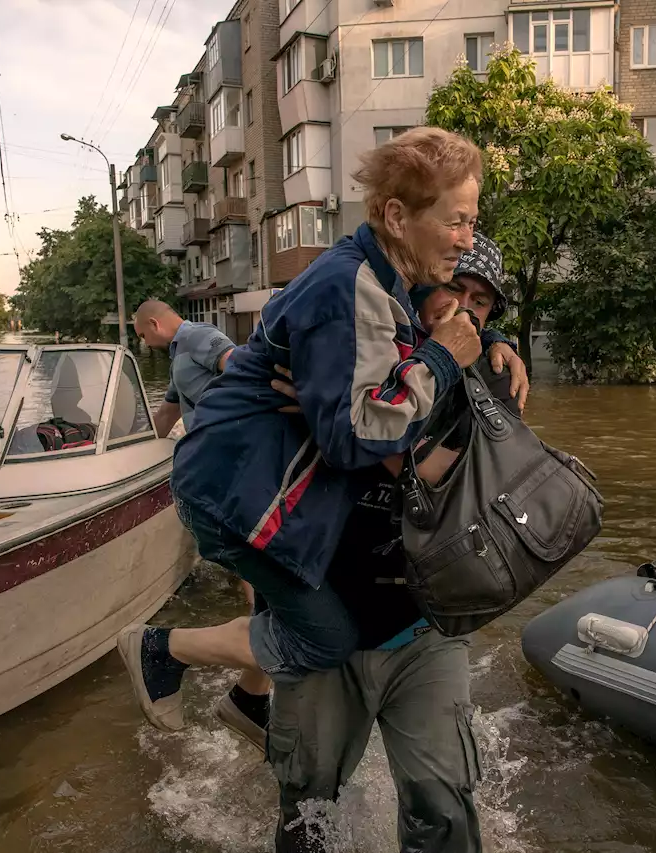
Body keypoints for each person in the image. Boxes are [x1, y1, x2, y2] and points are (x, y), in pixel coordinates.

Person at [117, 128, 527, 739]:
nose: (468, 240)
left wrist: (487, 341)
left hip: (258, 484)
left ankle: (250, 705)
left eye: (473, 223)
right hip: (242, 495)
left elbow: (439, 311)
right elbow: (357, 438)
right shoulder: (350, 290)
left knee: (296, 617)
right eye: (458, 221)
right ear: (396, 215)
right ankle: (163, 649)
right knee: (327, 636)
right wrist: (443, 357)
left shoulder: (381, 275)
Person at [260, 232, 520, 853]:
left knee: (443, 802)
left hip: (425, 625)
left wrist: (345, 431)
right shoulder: (345, 352)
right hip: (324, 617)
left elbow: (455, 498)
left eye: (483, 303)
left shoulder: (493, 384)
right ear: (417, 283)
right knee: (307, 807)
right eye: (457, 287)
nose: (467, 308)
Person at [132, 299, 236, 438]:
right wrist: (137, 447)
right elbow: (167, 414)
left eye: (144, 336)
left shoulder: (197, 335)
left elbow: (242, 367)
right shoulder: (178, 357)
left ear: (154, 324)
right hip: (206, 446)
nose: (148, 343)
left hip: (230, 443)